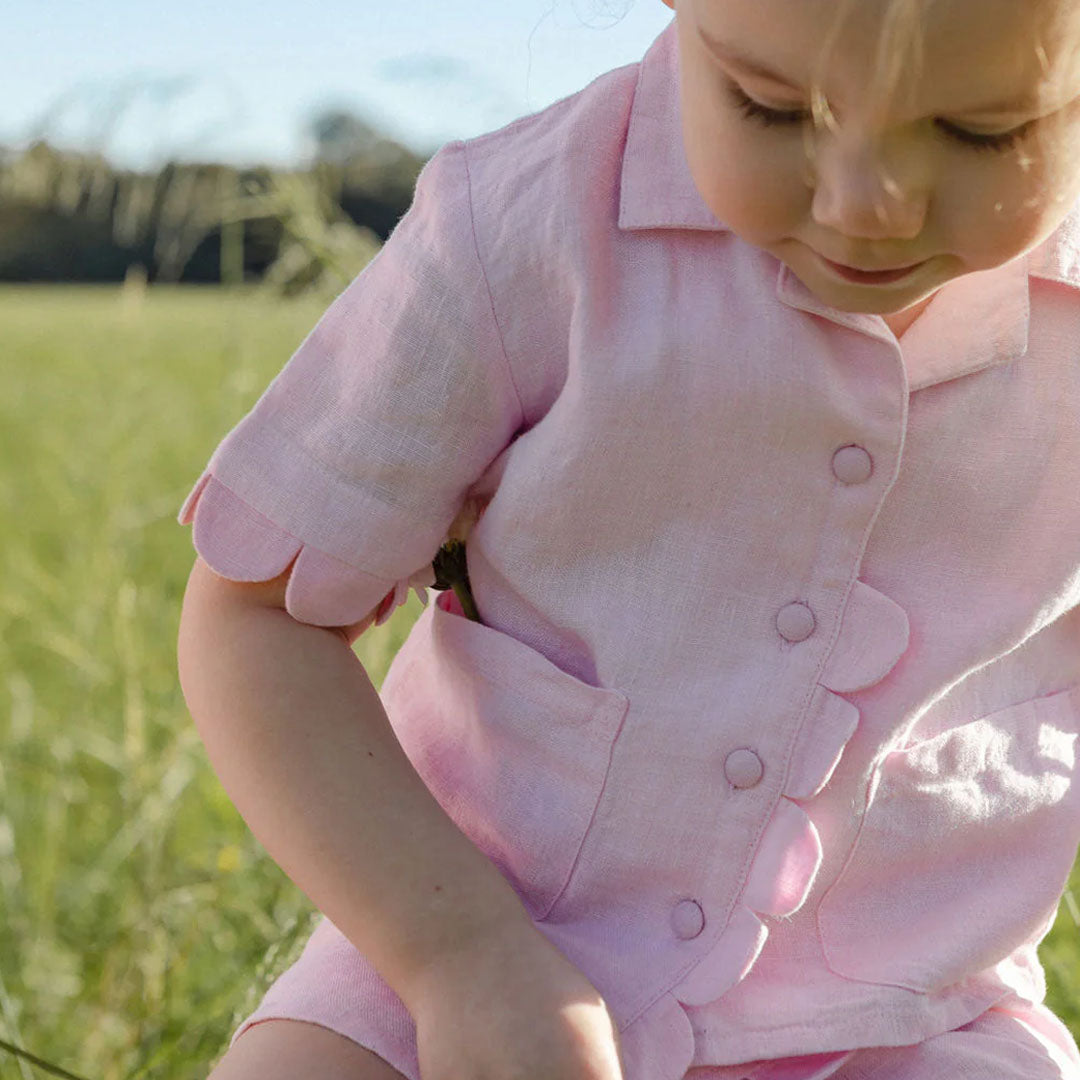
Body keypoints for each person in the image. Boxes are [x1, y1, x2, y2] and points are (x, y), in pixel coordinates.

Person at [175, 0, 1080, 1076]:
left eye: (982, 132)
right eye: (772, 107)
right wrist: (458, 956)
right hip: (474, 959)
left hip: (914, 1014)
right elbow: (258, 620)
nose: (866, 206)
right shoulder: (525, 224)